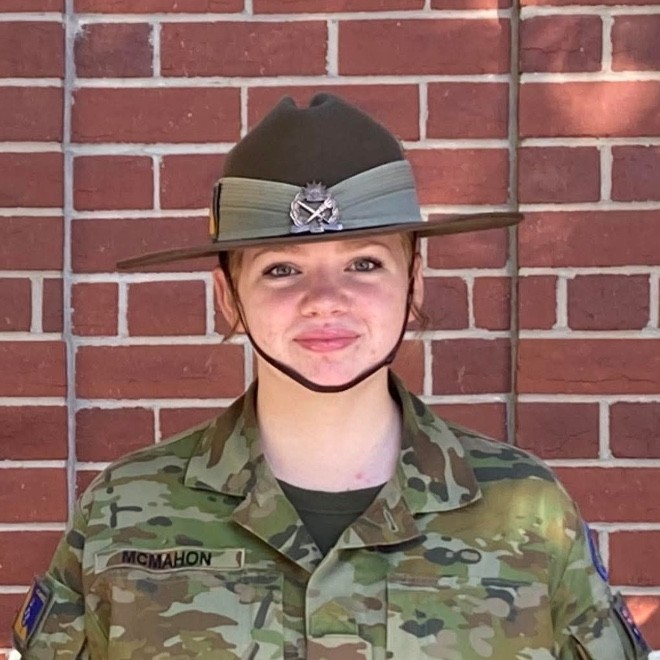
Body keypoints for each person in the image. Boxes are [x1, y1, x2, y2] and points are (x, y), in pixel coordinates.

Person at [12, 94, 649, 659]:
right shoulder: (124, 512)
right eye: (281, 269)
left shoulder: (530, 514)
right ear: (229, 297)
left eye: (364, 263)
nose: (324, 300)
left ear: (414, 283)